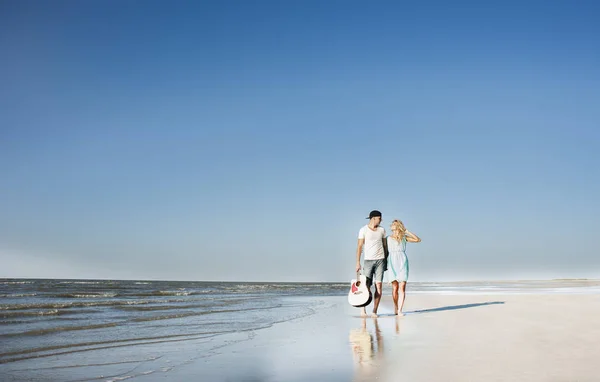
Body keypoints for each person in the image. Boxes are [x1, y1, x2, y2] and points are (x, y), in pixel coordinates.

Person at [355, 210, 388, 317]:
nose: (381, 220)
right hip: (368, 260)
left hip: (380, 260)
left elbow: (385, 246)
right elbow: (359, 246)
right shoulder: (363, 230)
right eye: (379, 218)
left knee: (379, 286)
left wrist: (386, 261)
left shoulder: (382, 230)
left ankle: (374, 311)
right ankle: (363, 309)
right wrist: (357, 262)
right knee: (366, 286)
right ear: (373, 218)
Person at [386, 219, 421, 316]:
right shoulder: (387, 238)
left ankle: (400, 310)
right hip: (392, 262)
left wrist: (406, 231)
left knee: (402, 287)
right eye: (392, 224)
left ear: (398, 226)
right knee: (394, 287)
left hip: (402, 261)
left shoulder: (404, 238)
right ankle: (396, 307)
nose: (392, 225)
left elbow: (418, 239)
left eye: (394, 224)